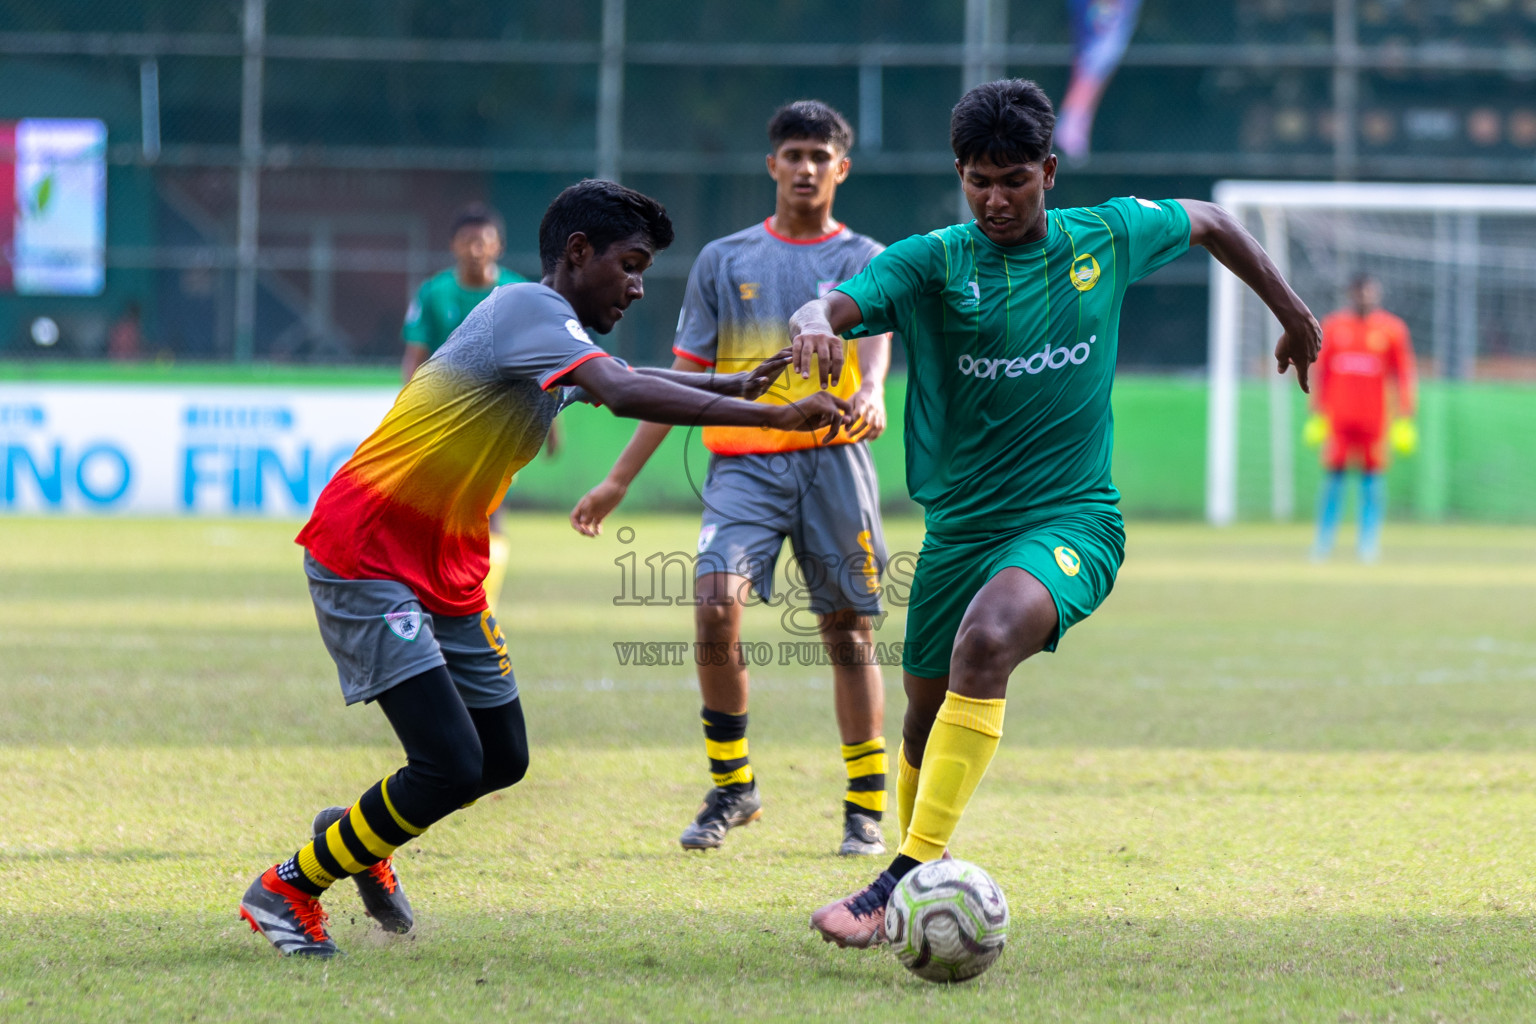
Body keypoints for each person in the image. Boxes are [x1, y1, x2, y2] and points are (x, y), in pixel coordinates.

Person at [237, 179, 853, 958]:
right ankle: (287, 886)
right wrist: (773, 416)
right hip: (370, 551)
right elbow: (624, 391)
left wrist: (742, 382)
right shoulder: (528, 311)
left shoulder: (554, 330)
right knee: (451, 763)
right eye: (629, 266)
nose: (636, 287)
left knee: (502, 758)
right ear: (576, 253)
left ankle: (354, 839)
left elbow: (636, 378)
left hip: (446, 562)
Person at [789, 79, 1322, 948]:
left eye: (1013, 180)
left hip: (1073, 520)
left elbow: (1214, 221)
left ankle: (895, 882)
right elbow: (840, 299)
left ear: (1049, 169)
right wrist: (815, 320)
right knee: (921, 724)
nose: (994, 199)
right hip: (960, 530)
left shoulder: (1103, 238)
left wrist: (1295, 315)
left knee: (988, 640)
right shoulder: (935, 260)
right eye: (976, 180)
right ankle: (924, 880)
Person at [569, 101, 895, 857]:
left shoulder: (867, 257)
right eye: (793, 154)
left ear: (841, 168)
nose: (806, 167)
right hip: (742, 463)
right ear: (772, 165)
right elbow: (682, 382)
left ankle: (864, 807)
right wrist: (620, 479)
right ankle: (733, 787)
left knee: (848, 630)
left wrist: (871, 392)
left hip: (834, 459)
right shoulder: (726, 259)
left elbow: (874, 344)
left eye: (820, 155)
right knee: (715, 608)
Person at [401, 203, 538, 611]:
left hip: (499, 419)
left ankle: (483, 604)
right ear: (453, 246)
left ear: (498, 246)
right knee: (435, 511)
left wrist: (548, 422)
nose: (475, 249)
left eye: (483, 241)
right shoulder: (433, 292)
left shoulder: (518, 292)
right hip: (443, 418)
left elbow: (538, 359)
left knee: (491, 512)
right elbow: (415, 356)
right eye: (467, 241)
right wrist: (408, 412)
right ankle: (439, 595)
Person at [1307, 273, 1417, 562]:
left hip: (1374, 421)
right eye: (1360, 293)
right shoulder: (1333, 327)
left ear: (1377, 294)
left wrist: (1405, 416)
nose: (1365, 298)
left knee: (1372, 482)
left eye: (1370, 292)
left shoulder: (1392, 330)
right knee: (1333, 480)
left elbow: (1403, 374)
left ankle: (1368, 544)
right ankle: (1323, 542)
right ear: (1351, 294)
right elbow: (1322, 372)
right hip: (1340, 421)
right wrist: (1317, 413)